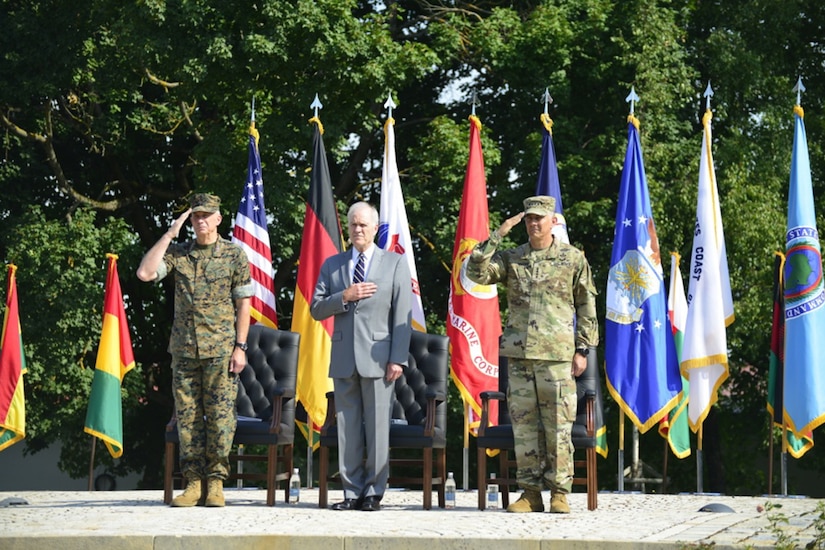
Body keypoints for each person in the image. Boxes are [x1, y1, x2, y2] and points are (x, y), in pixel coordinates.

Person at [466, 195, 598, 514]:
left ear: (552, 220)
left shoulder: (572, 258)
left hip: (556, 357)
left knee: (557, 427)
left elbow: (587, 305)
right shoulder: (513, 258)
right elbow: (475, 272)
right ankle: (530, 493)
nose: (534, 223)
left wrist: (583, 350)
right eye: (529, 218)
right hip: (521, 358)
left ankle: (559, 492)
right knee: (524, 429)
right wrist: (497, 235)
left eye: (539, 218)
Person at [137, 193, 253, 508]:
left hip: (220, 349)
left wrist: (240, 347)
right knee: (188, 419)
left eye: (206, 215)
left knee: (220, 418)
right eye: (195, 216)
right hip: (185, 350)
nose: (200, 221)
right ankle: (193, 483)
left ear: (218, 218)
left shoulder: (233, 255)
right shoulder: (179, 253)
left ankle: (215, 482)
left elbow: (244, 304)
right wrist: (169, 233)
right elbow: (145, 273)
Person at [311, 201, 412, 512]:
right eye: (353, 224)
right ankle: (352, 492)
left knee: (379, 429)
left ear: (374, 229)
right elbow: (316, 308)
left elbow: (402, 314)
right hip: (343, 357)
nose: (357, 230)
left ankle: (373, 492)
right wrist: (344, 296)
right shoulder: (333, 264)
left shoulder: (394, 263)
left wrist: (398, 358)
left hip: (381, 359)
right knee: (348, 427)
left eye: (363, 225)